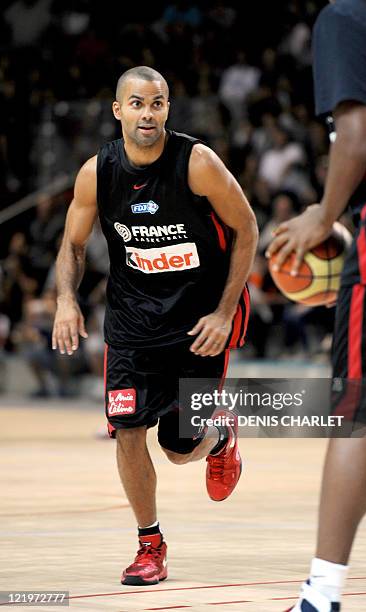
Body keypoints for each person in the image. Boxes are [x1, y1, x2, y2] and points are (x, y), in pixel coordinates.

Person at [52, 66, 258, 586]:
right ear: (119, 110)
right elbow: (73, 245)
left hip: (199, 322)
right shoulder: (97, 172)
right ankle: (150, 544)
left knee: (178, 447)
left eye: (158, 103)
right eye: (138, 104)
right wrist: (65, 301)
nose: (149, 113)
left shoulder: (197, 163)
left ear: (168, 108)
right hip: (132, 323)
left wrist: (226, 311)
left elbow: (247, 227)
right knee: (127, 431)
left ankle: (219, 437)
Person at [266, 0, 366, 610]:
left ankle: (323, 593)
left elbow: (359, 134)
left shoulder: (348, 15)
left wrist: (324, 217)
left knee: (356, 412)